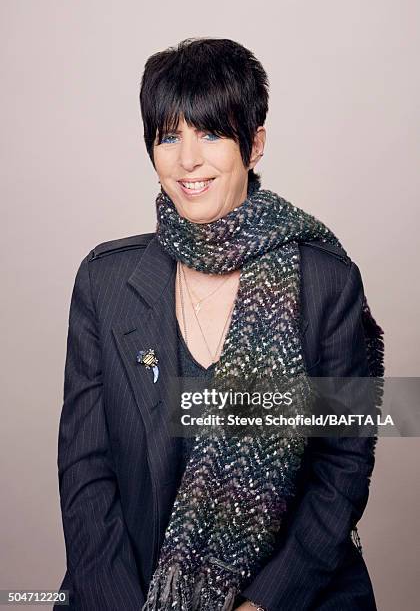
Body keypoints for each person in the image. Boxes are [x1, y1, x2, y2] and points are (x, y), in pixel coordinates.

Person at [55, 37, 384, 610]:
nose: (188, 160)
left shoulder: (326, 283)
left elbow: (343, 461)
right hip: (128, 587)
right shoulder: (104, 283)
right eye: (168, 136)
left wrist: (264, 605)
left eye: (210, 133)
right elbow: (85, 465)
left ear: (253, 144)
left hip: (288, 594)